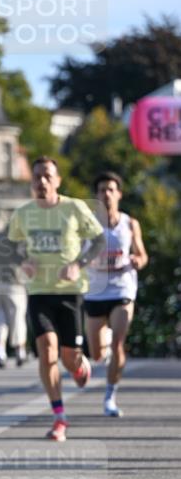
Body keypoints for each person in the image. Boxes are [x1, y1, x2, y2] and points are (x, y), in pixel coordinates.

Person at [8, 157, 105, 442]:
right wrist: (22, 259)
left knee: (68, 357)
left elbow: (99, 240)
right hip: (39, 291)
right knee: (47, 350)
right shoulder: (24, 213)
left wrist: (79, 262)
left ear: (58, 180)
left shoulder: (74, 207)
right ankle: (59, 417)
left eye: (47, 176)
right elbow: (11, 244)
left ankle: (78, 364)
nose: (41, 181)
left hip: (70, 292)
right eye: (36, 176)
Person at [84, 171, 148, 417]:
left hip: (122, 288)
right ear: (97, 196)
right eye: (102, 190)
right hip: (95, 292)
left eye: (111, 189)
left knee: (119, 342)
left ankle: (110, 396)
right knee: (98, 354)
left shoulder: (130, 224)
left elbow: (142, 255)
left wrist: (136, 260)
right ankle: (106, 347)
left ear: (119, 194)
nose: (107, 194)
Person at [0, 226, 28, 368]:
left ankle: (0, 352)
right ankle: (20, 352)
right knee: (17, 318)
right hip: (13, 282)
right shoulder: (19, 238)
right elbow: (22, 258)